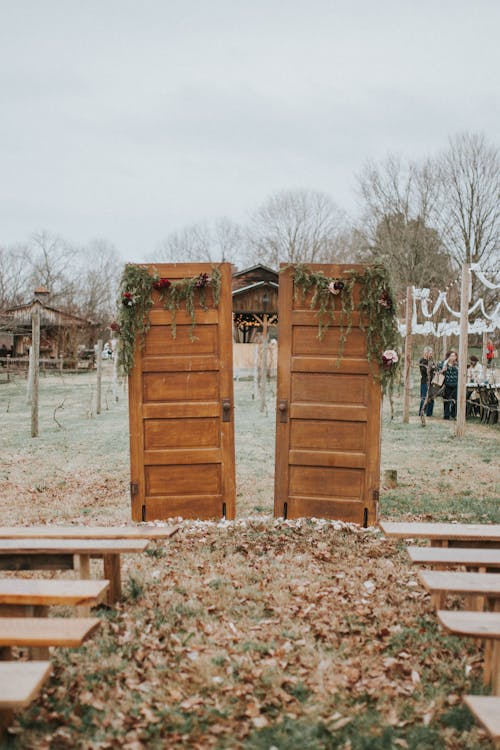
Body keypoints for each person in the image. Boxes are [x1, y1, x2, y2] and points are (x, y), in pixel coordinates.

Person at [438, 350, 458, 420]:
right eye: (452, 356)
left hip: (455, 384)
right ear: (448, 356)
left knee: (455, 400)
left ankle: (453, 415)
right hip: (447, 384)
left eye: (454, 356)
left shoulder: (457, 364)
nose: (453, 357)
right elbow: (439, 371)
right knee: (447, 400)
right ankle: (446, 415)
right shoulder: (444, 364)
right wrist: (443, 370)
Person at [418, 345, 436, 417]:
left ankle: (429, 414)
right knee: (424, 397)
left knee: (431, 398)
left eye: (432, 353)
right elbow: (424, 370)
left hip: (432, 382)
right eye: (430, 353)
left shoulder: (431, 360)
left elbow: (435, 368)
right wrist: (431, 368)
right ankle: (421, 413)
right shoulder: (422, 361)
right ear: (426, 353)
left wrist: (433, 368)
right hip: (425, 381)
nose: (431, 355)